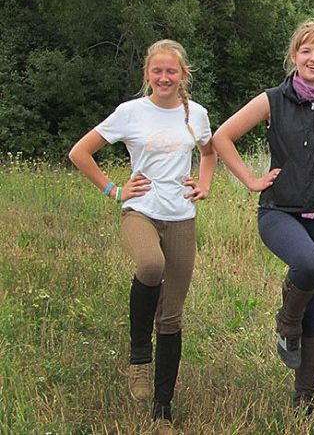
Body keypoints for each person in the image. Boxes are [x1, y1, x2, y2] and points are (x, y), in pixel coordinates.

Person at [212, 19, 314, 415]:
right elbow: (222, 137)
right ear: (294, 57)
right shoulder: (272, 99)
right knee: (308, 263)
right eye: (306, 50)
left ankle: (304, 400)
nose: (313, 58)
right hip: (278, 211)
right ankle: (287, 321)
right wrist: (252, 181)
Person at [68, 39, 216, 433]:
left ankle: (162, 410)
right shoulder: (131, 112)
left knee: (171, 316)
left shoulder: (195, 114)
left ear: (183, 74)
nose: (164, 77)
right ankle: (138, 358)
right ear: (147, 74)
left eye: (171, 71)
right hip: (141, 211)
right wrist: (114, 190)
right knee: (151, 265)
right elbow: (80, 152)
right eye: (157, 71)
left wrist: (203, 184)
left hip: (182, 216)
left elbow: (210, 152)